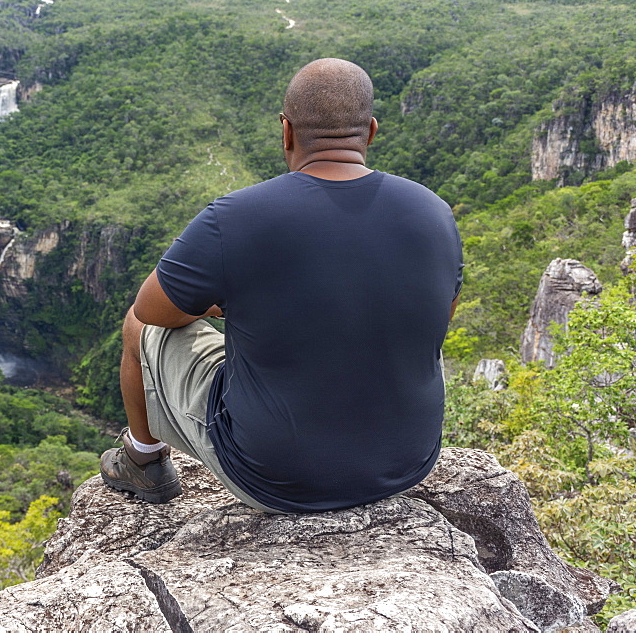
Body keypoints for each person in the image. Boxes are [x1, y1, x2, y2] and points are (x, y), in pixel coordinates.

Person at [100, 58, 463, 513]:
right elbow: (439, 322)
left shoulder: (234, 217)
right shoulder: (435, 212)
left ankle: (144, 461)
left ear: (286, 131)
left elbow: (153, 311)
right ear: (370, 132)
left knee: (137, 326)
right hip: (407, 464)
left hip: (270, 477)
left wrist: (221, 305)